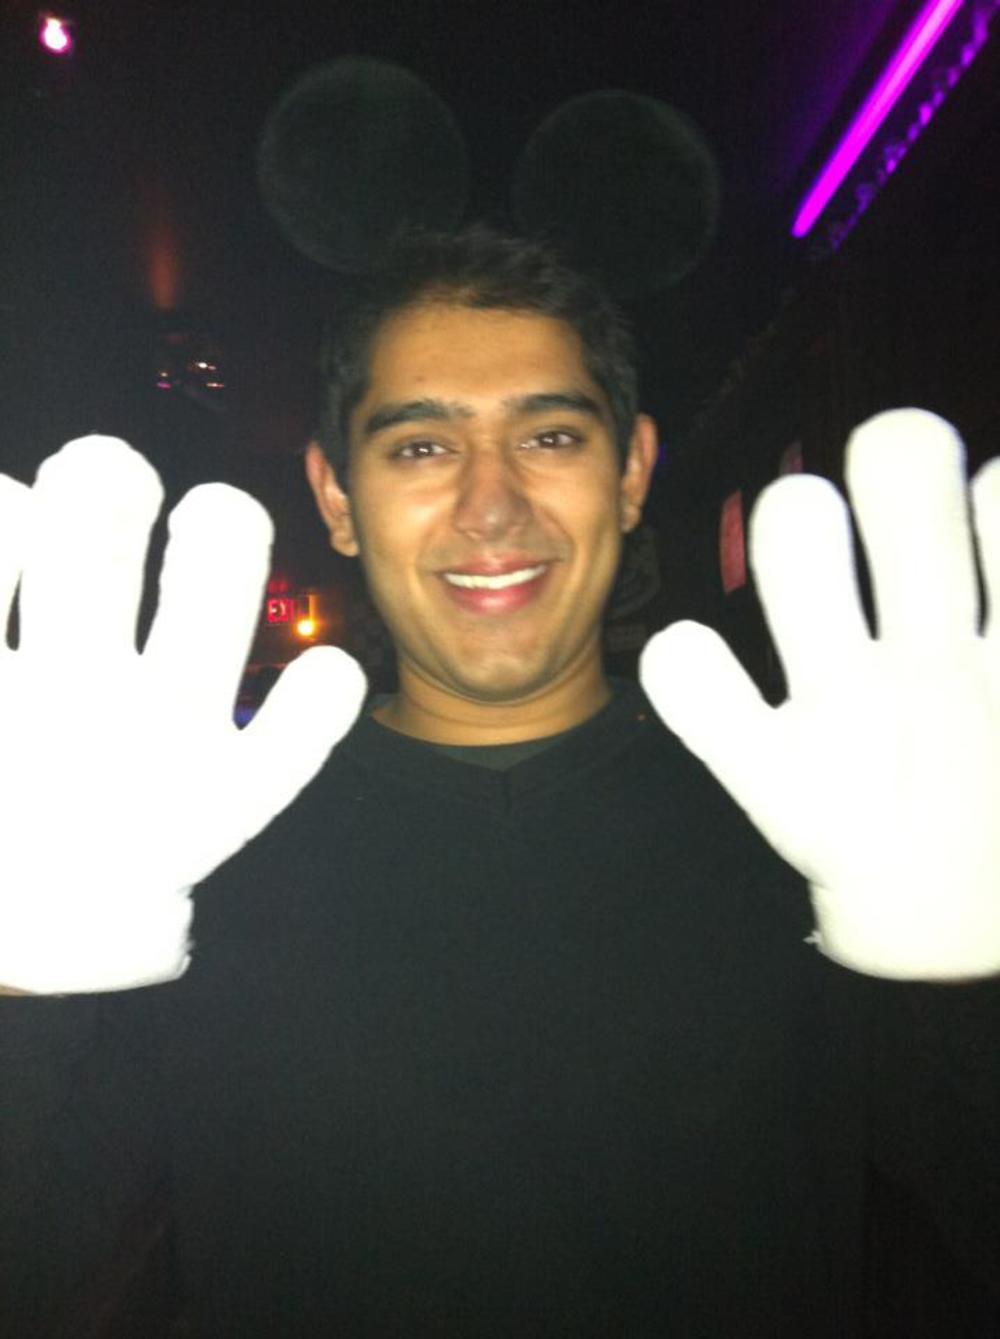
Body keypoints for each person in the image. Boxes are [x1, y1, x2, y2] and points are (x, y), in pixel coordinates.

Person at [2, 225, 999, 1338]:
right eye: (421, 446)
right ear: (335, 496)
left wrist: (967, 968)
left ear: (631, 473)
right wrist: (28, 977)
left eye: (551, 436)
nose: (491, 505)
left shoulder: (837, 814)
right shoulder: (184, 837)